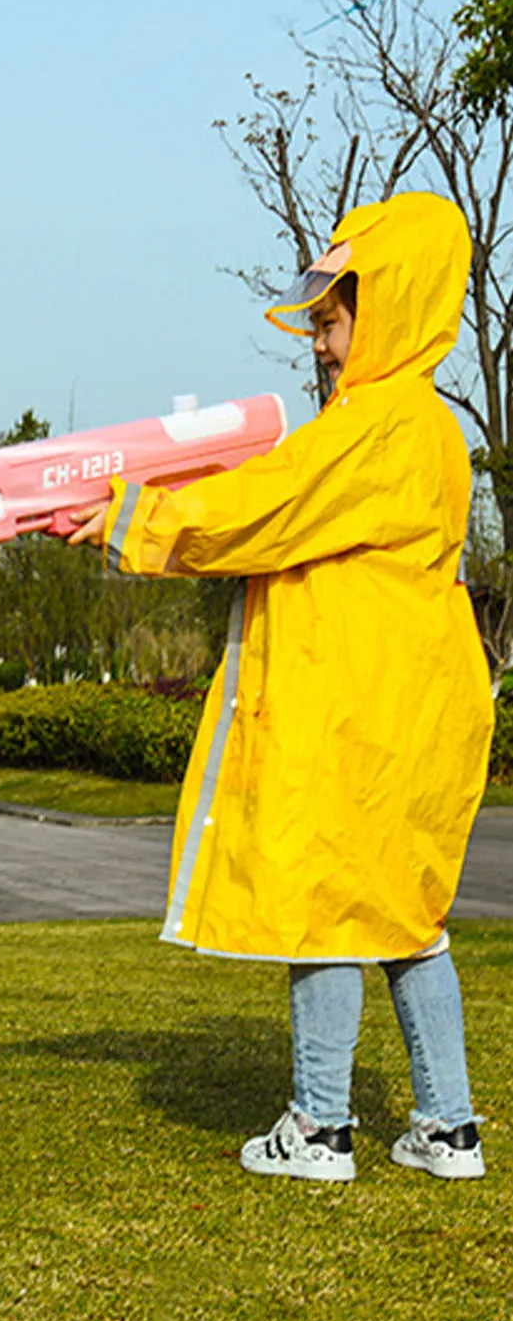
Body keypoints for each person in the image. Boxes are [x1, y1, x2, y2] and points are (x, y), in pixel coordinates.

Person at [68, 192, 493, 1182]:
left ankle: (317, 1126)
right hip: (413, 705)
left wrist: (133, 517)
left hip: (355, 705)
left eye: (334, 318)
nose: (319, 342)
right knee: (405, 915)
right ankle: (446, 1126)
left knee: (327, 904)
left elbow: (264, 505)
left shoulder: (376, 428)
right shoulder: (421, 430)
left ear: (384, 305)